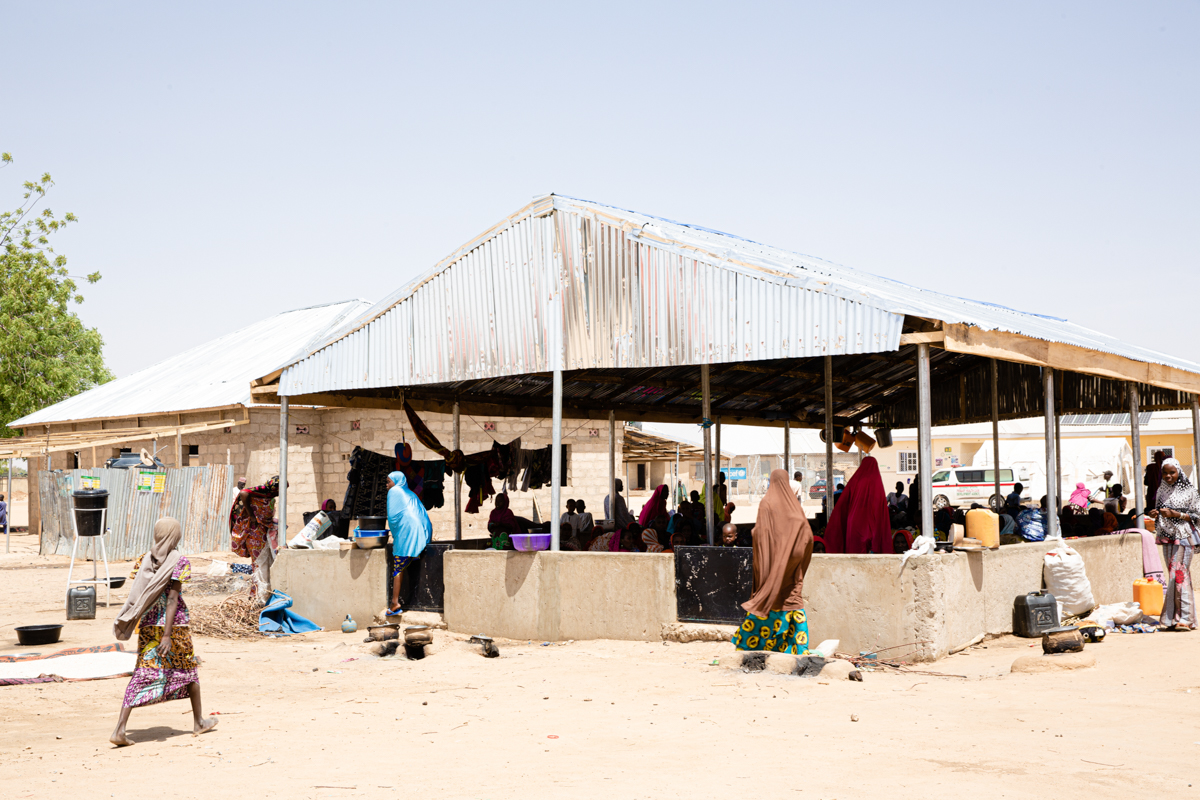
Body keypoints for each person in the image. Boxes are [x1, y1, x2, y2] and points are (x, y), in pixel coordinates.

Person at [111, 518, 216, 746]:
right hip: (174, 627)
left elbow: (140, 590)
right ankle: (198, 722)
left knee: (143, 672)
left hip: (148, 625)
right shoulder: (180, 561)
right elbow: (172, 599)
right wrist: (167, 635)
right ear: (174, 536)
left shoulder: (144, 559)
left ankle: (120, 728)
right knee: (188, 669)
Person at [731, 469, 814, 655]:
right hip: (792, 566)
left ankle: (751, 645)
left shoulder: (766, 503)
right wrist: (795, 557)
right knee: (792, 597)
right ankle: (797, 649)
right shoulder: (794, 507)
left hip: (771, 564)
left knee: (767, 595)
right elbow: (808, 536)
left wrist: (769, 557)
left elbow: (760, 534)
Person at [1148, 457, 1199, 630]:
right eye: (1165, 473)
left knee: (1179, 575)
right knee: (1174, 577)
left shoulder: (1190, 491)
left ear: (1179, 472)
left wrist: (1176, 514)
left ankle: (1186, 618)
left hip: (1184, 537)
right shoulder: (1161, 491)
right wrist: (1156, 514)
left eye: (1172, 472)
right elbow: (1159, 513)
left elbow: (1197, 516)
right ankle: (1173, 618)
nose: (1168, 476)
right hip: (1167, 538)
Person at [386, 471, 432, 615]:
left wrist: (396, 536)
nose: (387, 485)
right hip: (422, 532)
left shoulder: (394, 491)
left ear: (396, 481)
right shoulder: (411, 493)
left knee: (398, 567)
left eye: (388, 481)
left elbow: (392, 518)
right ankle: (413, 601)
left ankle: (394, 603)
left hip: (408, 532)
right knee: (411, 563)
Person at [823, 456, 890, 554]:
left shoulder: (855, 480)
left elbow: (842, 502)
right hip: (873, 523)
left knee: (854, 553)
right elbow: (881, 507)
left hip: (854, 523)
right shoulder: (877, 482)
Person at [229, 476, 282, 598]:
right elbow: (243, 493)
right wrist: (252, 515)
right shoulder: (260, 493)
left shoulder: (269, 497)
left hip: (264, 532)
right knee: (258, 564)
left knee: (265, 563)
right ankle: (258, 595)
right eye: (280, 489)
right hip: (255, 534)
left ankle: (261, 593)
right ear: (274, 488)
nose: (281, 493)